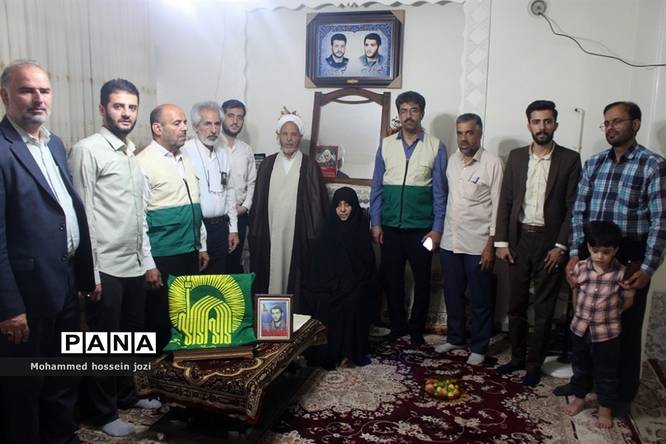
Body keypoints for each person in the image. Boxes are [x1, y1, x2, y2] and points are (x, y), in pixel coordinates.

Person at [0, 60, 95, 444]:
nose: (38, 98)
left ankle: (63, 437)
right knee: (24, 387)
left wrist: (84, 276)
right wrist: (9, 307)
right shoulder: (3, 149)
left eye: (44, 90)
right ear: (5, 96)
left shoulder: (53, 143)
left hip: (64, 283)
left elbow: (65, 211)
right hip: (26, 295)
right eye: (27, 90)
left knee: (62, 374)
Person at [554, 101, 666, 417]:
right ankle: (583, 385)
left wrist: (648, 267)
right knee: (584, 324)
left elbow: (661, 221)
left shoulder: (653, 165)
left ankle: (619, 397)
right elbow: (579, 211)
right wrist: (575, 254)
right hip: (591, 252)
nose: (611, 127)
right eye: (606, 123)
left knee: (623, 330)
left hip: (629, 256)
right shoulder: (594, 163)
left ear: (636, 124)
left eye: (617, 121)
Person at [68, 79, 160, 437]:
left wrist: (146, 261)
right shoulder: (87, 150)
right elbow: (83, 215)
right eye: (118, 106)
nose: (126, 113)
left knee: (131, 336)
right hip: (104, 266)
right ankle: (103, 413)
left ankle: (126, 396)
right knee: (105, 342)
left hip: (132, 263)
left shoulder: (130, 152)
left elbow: (138, 213)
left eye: (132, 107)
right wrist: (89, 273)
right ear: (102, 109)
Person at [494, 100, 581, 385]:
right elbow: (506, 201)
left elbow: (572, 208)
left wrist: (561, 246)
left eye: (547, 121)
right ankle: (517, 358)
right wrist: (502, 242)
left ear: (555, 124)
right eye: (536, 121)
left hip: (549, 242)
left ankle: (534, 366)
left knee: (544, 310)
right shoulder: (517, 157)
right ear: (528, 124)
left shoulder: (570, 159)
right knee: (515, 305)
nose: (541, 127)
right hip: (519, 238)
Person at [369, 91, 447, 346]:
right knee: (392, 279)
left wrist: (437, 229)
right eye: (403, 110)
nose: (408, 115)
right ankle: (397, 326)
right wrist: (376, 223)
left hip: (422, 229)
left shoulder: (436, 146)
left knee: (422, 280)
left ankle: (416, 330)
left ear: (421, 113)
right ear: (399, 114)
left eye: (413, 110)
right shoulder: (386, 145)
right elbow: (377, 187)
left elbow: (440, 193)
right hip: (390, 227)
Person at [137, 104, 209, 351]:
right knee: (160, 320)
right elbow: (139, 218)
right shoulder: (143, 163)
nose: (184, 127)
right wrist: (149, 264)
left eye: (184, 122)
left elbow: (194, 203)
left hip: (189, 251)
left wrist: (201, 245)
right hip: (162, 255)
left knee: (185, 315)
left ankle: (182, 367)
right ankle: (155, 371)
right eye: (177, 123)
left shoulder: (184, 158)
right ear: (157, 128)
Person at [434, 114, 503, 365]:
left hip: (478, 244)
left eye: (469, 132)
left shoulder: (493, 164)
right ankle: (455, 337)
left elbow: (498, 207)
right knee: (452, 294)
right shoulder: (452, 161)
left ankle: (479, 346)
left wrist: (491, 245)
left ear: (480, 133)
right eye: (460, 133)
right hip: (450, 242)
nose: (464, 138)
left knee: (480, 298)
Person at [249, 112, 329, 310]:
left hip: (297, 237)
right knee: (268, 274)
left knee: (296, 280)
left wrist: (312, 237)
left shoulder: (310, 166)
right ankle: (269, 321)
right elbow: (258, 203)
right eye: (285, 134)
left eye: (293, 134)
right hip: (270, 233)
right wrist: (256, 233)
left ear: (300, 137)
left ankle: (294, 321)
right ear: (278, 136)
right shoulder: (267, 164)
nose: (289, 139)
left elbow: (316, 206)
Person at [562, 221, 635, 429]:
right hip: (580, 329)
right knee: (580, 367)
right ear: (588, 247)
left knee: (606, 372)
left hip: (607, 334)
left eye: (606, 252)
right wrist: (578, 313)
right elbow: (575, 291)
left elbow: (628, 301)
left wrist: (613, 314)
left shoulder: (621, 273)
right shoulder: (580, 268)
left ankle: (605, 408)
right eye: (595, 251)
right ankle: (579, 398)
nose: (600, 256)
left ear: (615, 250)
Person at [303, 187, 377, 369]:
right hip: (330, 285)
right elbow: (319, 266)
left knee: (353, 301)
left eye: (347, 205)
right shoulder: (328, 229)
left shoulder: (359, 230)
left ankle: (347, 354)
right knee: (322, 301)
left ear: (354, 207)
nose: (343, 210)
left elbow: (367, 268)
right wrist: (332, 284)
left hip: (354, 285)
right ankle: (327, 355)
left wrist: (349, 284)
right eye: (338, 205)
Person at [182, 101, 238, 274]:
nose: (214, 130)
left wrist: (233, 228)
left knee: (218, 279)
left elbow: (230, 191)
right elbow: (189, 200)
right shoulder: (185, 151)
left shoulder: (223, 152)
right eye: (207, 124)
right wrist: (202, 244)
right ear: (195, 126)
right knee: (199, 279)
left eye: (217, 124)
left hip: (221, 227)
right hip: (196, 228)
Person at [219, 99, 256, 274]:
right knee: (217, 268)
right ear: (222, 117)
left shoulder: (246, 150)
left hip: (240, 216)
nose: (235, 121)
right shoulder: (212, 147)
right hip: (218, 218)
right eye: (231, 116)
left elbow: (252, 183)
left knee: (234, 267)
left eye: (240, 117)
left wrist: (245, 207)